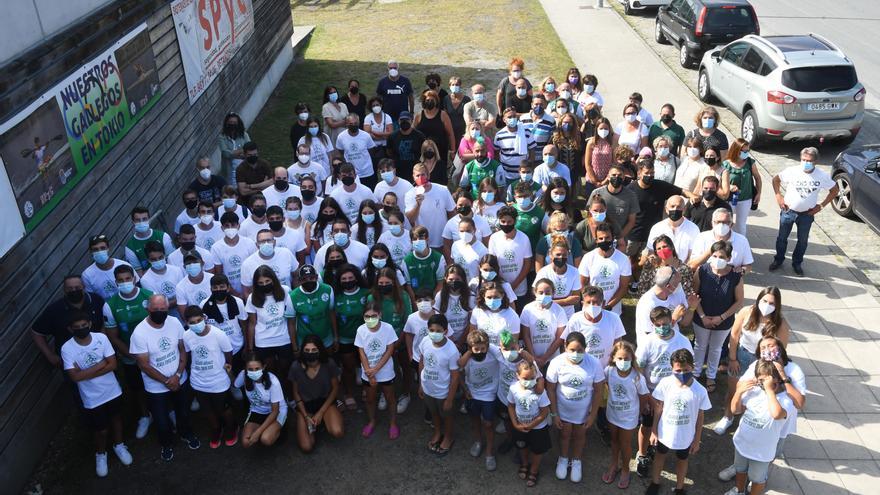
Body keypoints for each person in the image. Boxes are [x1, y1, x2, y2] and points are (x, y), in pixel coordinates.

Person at [62, 311, 132, 477]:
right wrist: (100, 364)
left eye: (84, 325)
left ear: (90, 324)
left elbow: (113, 365)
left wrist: (84, 373)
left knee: (116, 418)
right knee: (100, 430)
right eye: (77, 327)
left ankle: (119, 445)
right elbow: (74, 377)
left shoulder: (101, 338)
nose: (81, 329)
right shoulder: (67, 348)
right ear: (70, 329)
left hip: (112, 390)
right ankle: (100, 454)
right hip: (92, 398)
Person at [129, 295, 199, 461]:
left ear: (167, 309)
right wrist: (167, 381)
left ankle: (186, 434)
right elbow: (144, 364)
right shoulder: (139, 333)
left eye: (163, 309)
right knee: (161, 420)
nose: (159, 312)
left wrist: (177, 375)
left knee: (183, 412)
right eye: (155, 309)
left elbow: (182, 350)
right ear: (148, 309)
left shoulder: (174, 323)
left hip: (179, 379)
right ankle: (166, 444)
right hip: (156, 387)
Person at [715, 287, 791, 435]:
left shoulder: (780, 324)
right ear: (758, 299)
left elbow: (781, 351)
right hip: (742, 355)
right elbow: (734, 335)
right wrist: (732, 358)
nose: (767, 305)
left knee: (756, 393)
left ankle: (747, 421)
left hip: (763, 362)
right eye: (764, 301)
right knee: (734, 389)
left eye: (772, 303)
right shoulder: (746, 312)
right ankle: (727, 416)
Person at [644, 349, 711, 495]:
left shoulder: (700, 391)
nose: (682, 373)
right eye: (678, 370)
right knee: (660, 455)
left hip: (686, 436)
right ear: (671, 368)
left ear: (692, 367)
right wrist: (654, 431)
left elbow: (700, 417)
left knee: (682, 459)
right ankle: (655, 482)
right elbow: (658, 408)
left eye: (686, 370)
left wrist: (697, 439)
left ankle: (680, 487)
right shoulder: (666, 383)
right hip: (665, 433)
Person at [727, 360, 796, 495]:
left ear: (778, 379)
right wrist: (738, 392)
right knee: (740, 470)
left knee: (757, 479)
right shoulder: (754, 392)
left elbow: (776, 414)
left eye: (767, 380)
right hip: (742, 442)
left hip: (762, 451)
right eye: (761, 381)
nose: (763, 385)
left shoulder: (786, 400)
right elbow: (735, 410)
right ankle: (739, 490)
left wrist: (769, 391)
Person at [546, 332, 605, 483]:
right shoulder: (557, 362)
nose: (575, 354)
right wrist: (554, 414)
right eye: (572, 350)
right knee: (564, 435)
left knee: (580, 435)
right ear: (565, 347)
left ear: (585, 349)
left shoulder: (594, 363)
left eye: (579, 351)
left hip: (583, 411)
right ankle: (563, 458)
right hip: (563, 410)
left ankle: (576, 461)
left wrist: (593, 415)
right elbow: (551, 389)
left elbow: (598, 390)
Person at [770, 146, 838, 276]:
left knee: (803, 241)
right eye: (803, 159)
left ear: (815, 162)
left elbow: (834, 190)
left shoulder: (821, 176)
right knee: (782, 238)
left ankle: (797, 263)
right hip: (788, 211)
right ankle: (778, 260)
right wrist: (778, 196)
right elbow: (776, 180)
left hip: (806, 214)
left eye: (809, 161)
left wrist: (821, 206)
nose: (806, 163)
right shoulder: (792, 171)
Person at [102, 265, 153, 434]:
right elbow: (113, 336)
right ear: (115, 282)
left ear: (134, 279)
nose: (124, 283)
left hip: (154, 353)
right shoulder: (110, 305)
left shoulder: (149, 296)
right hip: (130, 357)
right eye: (120, 280)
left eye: (127, 279)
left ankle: (168, 411)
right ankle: (145, 416)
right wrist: (134, 356)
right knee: (137, 387)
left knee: (160, 381)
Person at [691, 241, 744, 394]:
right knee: (700, 345)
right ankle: (695, 373)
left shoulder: (735, 277)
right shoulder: (702, 271)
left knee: (716, 348)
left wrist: (721, 317)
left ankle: (711, 376)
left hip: (724, 321)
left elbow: (739, 301)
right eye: (714, 255)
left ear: (728, 258)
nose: (717, 259)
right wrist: (702, 316)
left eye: (721, 256)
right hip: (701, 318)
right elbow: (695, 295)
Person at [182, 306, 236, 449]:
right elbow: (188, 355)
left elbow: (228, 352)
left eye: (199, 320)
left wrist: (227, 367)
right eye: (192, 322)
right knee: (207, 410)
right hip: (198, 382)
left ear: (204, 318)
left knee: (224, 409)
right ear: (186, 322)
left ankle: (231, 428)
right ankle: (216, 429)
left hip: (218, 381)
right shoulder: (186, 336)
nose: (196, 324)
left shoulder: (218, 334)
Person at [628, 162, 689, 278]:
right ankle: (629, 279)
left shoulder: (659, 186)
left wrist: (693, 196)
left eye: (652, 173)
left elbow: (680, 191)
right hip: (634, 233)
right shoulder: (630, 190)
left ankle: (640, 280)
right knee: (630, 260)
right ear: (639, 173)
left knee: (648, 260)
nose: (650, 176)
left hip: (653, 233)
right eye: (647, 173)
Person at [32, 275, 105, 372]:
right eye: (70, 288)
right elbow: (37, 332)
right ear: (64, 290)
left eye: (77, 288)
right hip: (72, 363)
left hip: (101, 355)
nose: (74, 290)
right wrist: (50, 355)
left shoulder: (96, 300)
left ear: (84, 287)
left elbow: (106, 320)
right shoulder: (54, 310)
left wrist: (103, 339)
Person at [603, 341, 648, 490]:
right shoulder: (609, 371)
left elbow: (643, 397)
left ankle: (625, 469)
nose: (623, 362)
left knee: (625, 443)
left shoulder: (637, 377)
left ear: (632, 359)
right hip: (612, 413)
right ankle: (614, 465)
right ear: (613, 358)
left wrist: (639, 413)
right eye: (620, 359)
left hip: (629, 417)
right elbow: (604, 385)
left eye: (626, 359)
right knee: (614, 440)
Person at [289, 335, 344, 453]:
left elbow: (335, 388)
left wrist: (320, 413)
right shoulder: (296, 366)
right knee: (307, 447)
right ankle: (312, 422)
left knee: (337, 431)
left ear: (320, 350)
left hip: (325, 402)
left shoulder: (329, 363)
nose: (310, 353)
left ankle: (324, 418)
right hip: (306, 405)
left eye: (314, 350)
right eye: (307, 350)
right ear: (302, 351)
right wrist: (305, 416)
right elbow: (296, 392)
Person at [414, 314, 460, 456]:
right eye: (431, 330)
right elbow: (422, 361)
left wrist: (450, 399)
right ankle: (438, 432)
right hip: (428, 388)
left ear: (445, 331)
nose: (434, 333)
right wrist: (421, 384)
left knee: (447, 415)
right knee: (433, 412)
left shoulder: (452, 351)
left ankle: (448, 437)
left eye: (438, 331)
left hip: (443, 392)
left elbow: (455, 376)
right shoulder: (425, 341)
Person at [244, 266, 296, 389]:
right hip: (263, 342)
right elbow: (252, 323)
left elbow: (291, 319)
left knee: (286, 369)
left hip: (284, 339)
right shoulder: (253, 297)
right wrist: (251, 348)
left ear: (273, 280)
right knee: (270, 371)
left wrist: (294, 345)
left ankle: (288, 395)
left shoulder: (285, 291)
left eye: (267, 281)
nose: (264, 285)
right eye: (261, 283)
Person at [355, 301, 400, 439]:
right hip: (368, 372)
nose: (370, 319)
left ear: (380, 315)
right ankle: (372, 421)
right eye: (367, 316)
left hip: (385, 372)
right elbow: (361, 351)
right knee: (370, 399)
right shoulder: (361, 330)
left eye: (373, 315)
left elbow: (389, 350)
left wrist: (376, 370)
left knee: (390, 398)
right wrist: (369, 371)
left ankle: (393, 424)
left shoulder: (388, 328)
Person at [458, 330, 501, 471]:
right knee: (475, 419)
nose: (480, 351)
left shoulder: (493, 354)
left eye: (483, 348)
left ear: (488, 346)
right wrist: (465, 390)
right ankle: (478, 441)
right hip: (473, 395)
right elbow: (460, 368)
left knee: (488, 424)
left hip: (489, 394)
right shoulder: (468, 358)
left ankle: (489, 452)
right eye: (476, 349)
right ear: (470, 348)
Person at [200, 274, 248, 400]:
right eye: (215, 287)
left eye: (222, 287)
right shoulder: (204, 305)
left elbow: (244, 324)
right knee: (223, 372)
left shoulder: (237, 302)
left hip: (236, 345)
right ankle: (229, 389)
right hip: (216, 349)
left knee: (238, 371)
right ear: (210, 289)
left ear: (228, 287)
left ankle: (238, 387)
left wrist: (247, 346)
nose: (218, 290)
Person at [508, 360, 551, 488]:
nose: (529, 381)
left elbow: (544, 412)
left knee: (537, 450)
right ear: (517, 376)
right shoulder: (513, 388)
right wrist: (515, 424)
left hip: (537, 428)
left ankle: (534, 470)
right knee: (522, 446)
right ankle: (525, 464)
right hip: (520, 426)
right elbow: (510, 406)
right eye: (525, 378)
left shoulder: (540, 392)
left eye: (532, 378)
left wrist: (532, 425)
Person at [331, 264, 368, 410]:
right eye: (344, 279)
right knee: (348, 367)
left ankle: (367, 389)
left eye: (350, 278)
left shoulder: (366, 293)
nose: (347, 281)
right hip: (345, 338)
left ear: (357, 278)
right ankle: (348, 393)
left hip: (364, 338)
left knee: (366, 365)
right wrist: (336, 337)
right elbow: (332, 316)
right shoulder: (336, 295)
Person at [231, 353, 287, 448]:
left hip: (276, 411)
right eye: (250, 369)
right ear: (245, 369)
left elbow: (275, 411)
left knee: (265, 439)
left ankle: (280, 429)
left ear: (264, 367)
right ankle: (267, 429)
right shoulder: (243, 375)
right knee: (246, 442)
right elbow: (235, 384)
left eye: (257, 369)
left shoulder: (273, 381)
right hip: (257, 410)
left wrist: (258, 432)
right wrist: (229, 372)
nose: (254, 372)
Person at [578, 224, 631, 314]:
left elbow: (623, 287)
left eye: (607, 238)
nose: (604, 241)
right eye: (601, 238)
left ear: (613, 238)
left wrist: (609, 306)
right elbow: (582, 284)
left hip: (613, 310)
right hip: (591, 308)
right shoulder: (588, 257)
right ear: (596, 240)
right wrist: (591, 303)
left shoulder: (623, 259)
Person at [488, 206, 533, 306]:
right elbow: (492, 263)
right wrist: (503, 285)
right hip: (500, 289)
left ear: (515, 221)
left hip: (520, 289)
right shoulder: (494, 238)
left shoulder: (524, 238)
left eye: (509, 222)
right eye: (503, 221)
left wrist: (514, 285)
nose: (506, 224)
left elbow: (527, 264)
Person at [519, 279, 568, 368]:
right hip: (531, 358)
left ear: (553, 293)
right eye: (540, 292)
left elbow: (560, 338)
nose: (544, 295)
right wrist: (533, 357)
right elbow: (526, 335)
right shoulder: (528, 309)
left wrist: (544, 358)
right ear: (535, 292)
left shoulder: (559, 310)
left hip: (552, 359)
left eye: (548, 292)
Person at [404, 164, 456, 247]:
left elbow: (452, 213)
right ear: (413, 177)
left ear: (428, 175)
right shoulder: (410, 194)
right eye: (417, 175)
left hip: (441, 240)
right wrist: (418, 205)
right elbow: (410, 219)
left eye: (423, 174)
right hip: (421, 242)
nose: (420, 178)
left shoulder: (443, 190)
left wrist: (452, 234)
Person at [289, 264, 337, 352]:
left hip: (326, 338)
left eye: (311, 278)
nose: (308, 281)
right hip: (304, 341)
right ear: (299, 280)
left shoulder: (328, 290)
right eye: (304, 279)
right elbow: (291, 323)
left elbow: (332, 314)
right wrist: (295, 347)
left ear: (317, 277)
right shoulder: (292, 296)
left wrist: (336, 337)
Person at [688, 208, 755, 272]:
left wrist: (742, 270)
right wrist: (710, 251)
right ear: (712, 223)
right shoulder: (702, 237)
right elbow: (692, 265)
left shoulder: (742, 241)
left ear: (731, 224)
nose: (721, 225)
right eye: (718, 222)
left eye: (726, 222)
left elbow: (748, 265)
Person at [209, 212, 257, 298]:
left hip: (252, 290)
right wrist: (236, 294)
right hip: (231, 293)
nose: (230, 228)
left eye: (233, 225)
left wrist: (250, 291)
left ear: (238, 226)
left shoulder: (249, 243)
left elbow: (254, 268)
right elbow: (220, 275)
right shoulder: (216, 248)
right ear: (222, 228)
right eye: (227, 226)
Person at [588, 164, 639, 244]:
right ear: (608, 176)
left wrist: (619, 237)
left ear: (623, 178)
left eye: (619, 175)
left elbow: (631, 221)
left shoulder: (631, 196)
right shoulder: (597, 193)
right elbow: (589, 216)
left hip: (619, 239)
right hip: (599, 238)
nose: (616, 177)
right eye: (614, 175)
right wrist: (596, 237)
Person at [240, 230, 298, 298]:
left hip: (287, 299)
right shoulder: (247, 264)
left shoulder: (286, 253)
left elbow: (296, 276)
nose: (266, 243)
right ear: (257, 244)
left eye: (269, 240)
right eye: (262, 241)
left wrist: (295, 298)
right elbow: (246, 291)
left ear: (274, 242)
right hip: (262, 305)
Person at [532, 239, 580, 319]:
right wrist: (566, 300)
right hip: (548, 314)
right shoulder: (543, 272)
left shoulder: (574, 272)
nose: (561, 257)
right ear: (550, 255)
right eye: (558, 254)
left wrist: (550, 302)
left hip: (567, 315)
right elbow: (537, 296)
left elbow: (576, 298)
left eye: (564, 255)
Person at [722, 138, 761, 235]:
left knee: (741, 224)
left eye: (748, 150)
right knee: (726, 222)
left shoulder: (749, 163)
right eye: (744, 151)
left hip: (745, 198)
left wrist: (758, 193)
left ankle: (741, 244)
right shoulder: (726, 164)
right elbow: (719, 181)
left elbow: (758, 178)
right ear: (736, 150)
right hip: (729, 198)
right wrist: (729, 186)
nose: (746, 153)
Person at [415, 90, 456, 182]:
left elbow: (450, 134)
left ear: (436, 101)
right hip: (424, 151)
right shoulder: (419, 116)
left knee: (439, 175)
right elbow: (413, 132)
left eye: (432, 100)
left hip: (440, 150)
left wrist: (452, 151)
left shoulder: (443, 115)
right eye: (427, 100)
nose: (429, 102)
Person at [646, 195, 701, 263]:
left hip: (683, 269)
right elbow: (651, 251)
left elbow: (692, 256)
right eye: (672, 206)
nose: (675, 209)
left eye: (678, 207)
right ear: (666, 209)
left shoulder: (693, 229)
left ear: (684, 210)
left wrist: (682, 270)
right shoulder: (657, 228)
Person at [82, 234, 139, 300]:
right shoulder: (87, 275)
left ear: (108, 248)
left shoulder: (124, 265)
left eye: (103, 248)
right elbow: (91, 298)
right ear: (91, 251)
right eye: (95, 249)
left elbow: (137, 285)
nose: (99, 251)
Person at [493, 107, 536, 182]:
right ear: (504, 120)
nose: (512, 119)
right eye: (509, 117)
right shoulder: (499, 135)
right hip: (506, 175)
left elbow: (532, 151)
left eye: (514, 116)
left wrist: (528, 168)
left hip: (523, 175)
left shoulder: (526, 132)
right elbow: (496, 154)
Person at [336, 115, 377, 188]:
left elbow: (371, 150)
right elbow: (341, 151)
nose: (353, 125)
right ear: (346, 124)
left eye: (355, 123)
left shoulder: (366, 136)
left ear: (359, 123)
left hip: (367, 172)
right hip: (350, 173)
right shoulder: (341, 137)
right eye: (351, 124)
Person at [449, 217, 489, 281]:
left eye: (468, 231)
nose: (465, 234)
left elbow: (485, 273)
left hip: (474, 287)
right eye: (462, 231)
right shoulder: (455, 246)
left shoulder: (483, 250)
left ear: (474, 230)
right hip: (459, 286)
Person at [235, 142, 273, 207]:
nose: (253, 156)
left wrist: (251, 186)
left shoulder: (265, 164)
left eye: (255, 154)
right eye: (250, 155)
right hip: (247, 201)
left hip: (265, 197)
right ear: (244, 154)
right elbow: (243, 191)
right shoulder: (240, 169)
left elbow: (271, 182)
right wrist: (262, 187)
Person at [219, 112, 250, 184]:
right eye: (230, 122)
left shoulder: (244, 135)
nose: (232, 124)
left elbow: (249, 149)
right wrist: (241, 151)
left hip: (244, 167)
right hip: (229, 169)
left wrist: (232, 153)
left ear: (238, 123)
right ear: (226, 123)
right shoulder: (222, 137)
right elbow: (225, 153)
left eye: (234, 122)